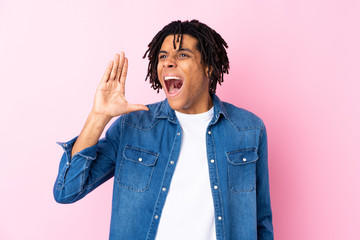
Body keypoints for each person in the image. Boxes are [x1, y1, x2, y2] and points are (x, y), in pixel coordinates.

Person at [54, 20, 274, 240]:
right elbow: (67, 190)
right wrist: (98, 117)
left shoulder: (248, 129)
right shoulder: (134, 126)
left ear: (208, 66)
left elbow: (260, 222)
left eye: (182, 55)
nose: (168, 62)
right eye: (163, 56)